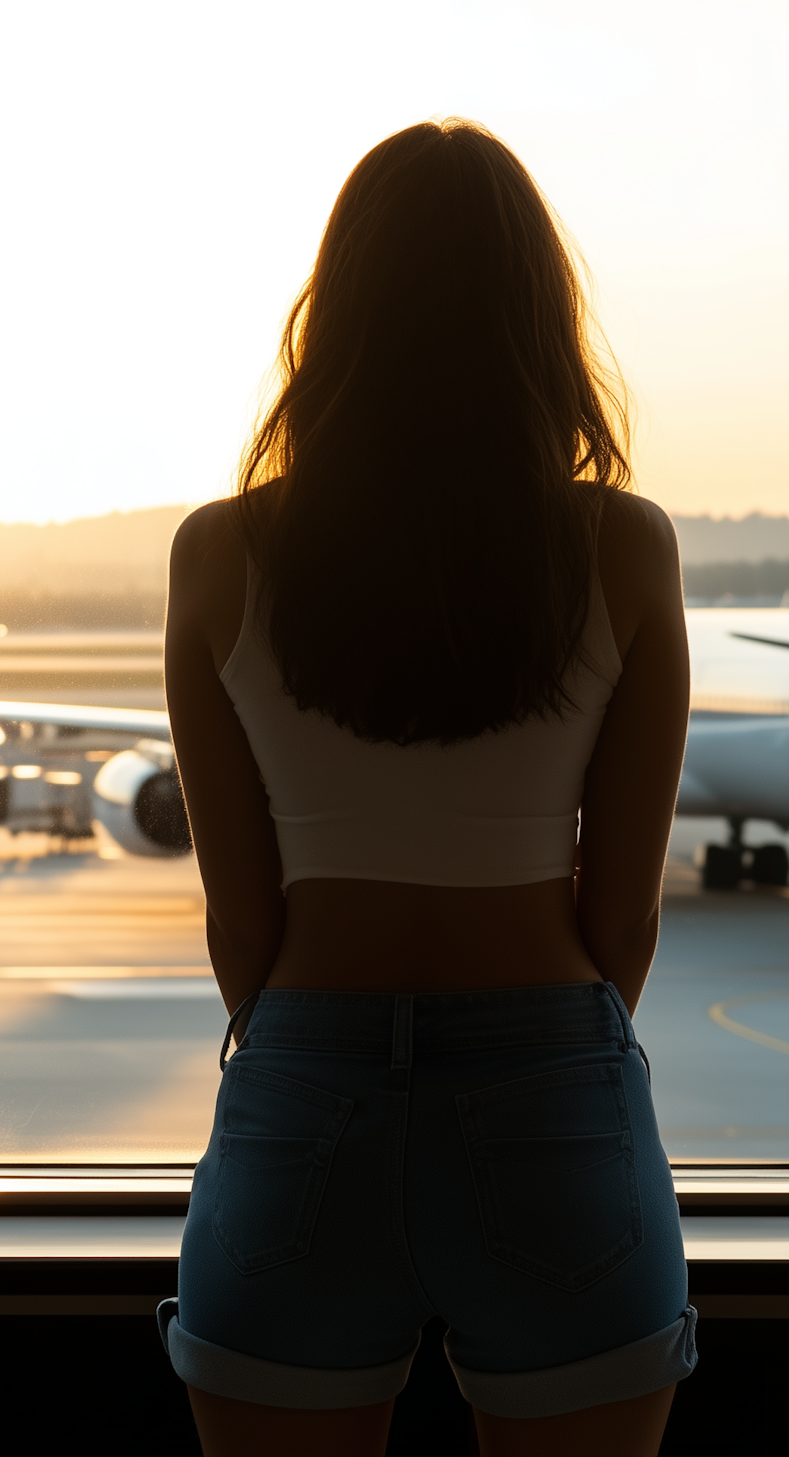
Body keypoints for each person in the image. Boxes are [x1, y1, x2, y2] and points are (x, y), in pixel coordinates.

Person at [157, 119, 695, 1456]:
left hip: (305, 1075)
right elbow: (622, 915)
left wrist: (324, 1053)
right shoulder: (624, 549)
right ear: (539, 318)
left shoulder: (219, 555)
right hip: (550, 1088)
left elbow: (241, 921)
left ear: (334, 315)